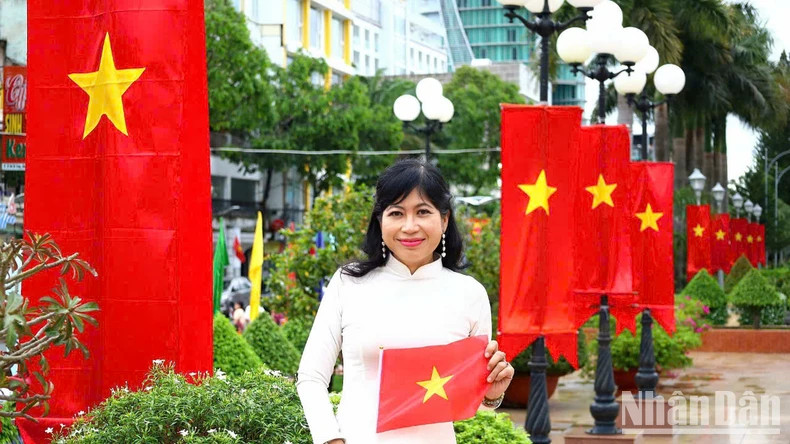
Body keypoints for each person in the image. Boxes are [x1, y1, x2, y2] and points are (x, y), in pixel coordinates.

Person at [296, 159, 514, 444]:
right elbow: (311, 376)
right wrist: (330, 439)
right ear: (380, 220)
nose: (409, 226)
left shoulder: (469, 294)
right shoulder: (348, 284)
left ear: (444, 219)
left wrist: (492, 393)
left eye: (423, 212)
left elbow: (469, 404)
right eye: (396, 213)